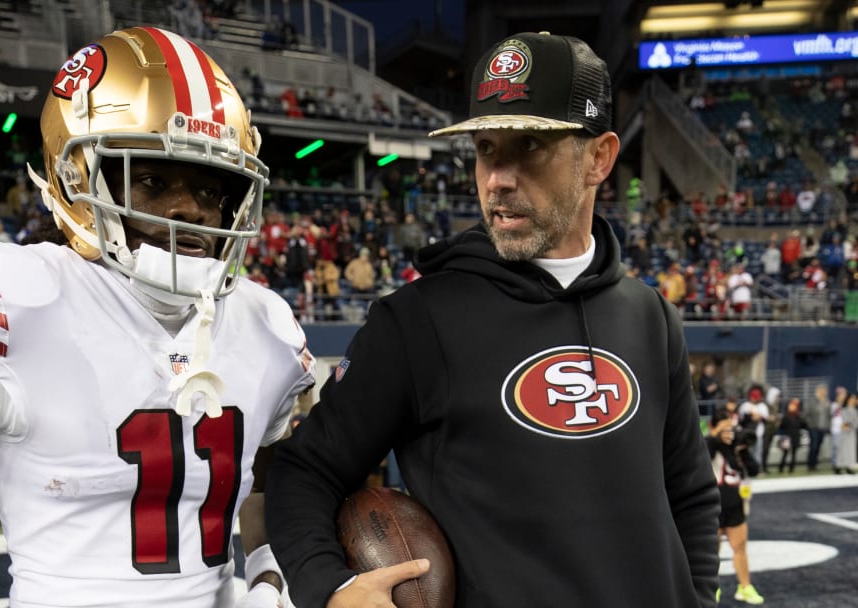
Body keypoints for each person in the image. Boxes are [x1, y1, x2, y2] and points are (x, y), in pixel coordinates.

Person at [0, 26, 313, 608]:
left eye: (212, 187)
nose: (190, 208)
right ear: (75, 177)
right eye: (151, 179)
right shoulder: (19, 301)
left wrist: (269, 576)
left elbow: (268, 490)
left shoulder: (266, 323)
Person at [265, 32, 720, 608]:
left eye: (529, 145)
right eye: (485, 148)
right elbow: (303, 472)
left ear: (598, 159)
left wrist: (699, 599)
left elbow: (691, 496)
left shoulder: (652, 317)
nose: (497, 178)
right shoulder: (416, 321)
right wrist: (331, 588)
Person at [707, 409, 764, 605]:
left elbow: (754, 470)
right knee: (711, 551)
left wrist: (743, 451)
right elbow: (704, 455)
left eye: (729, 428)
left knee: (740, 547)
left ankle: (745, 586)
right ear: (713, 428)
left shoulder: (735, 446)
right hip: (713, 504)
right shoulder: (708, 444)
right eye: (724, 429)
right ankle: (711, 588)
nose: (728, 433)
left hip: (735, 503)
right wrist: (716, 436)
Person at [776, 397, 806, 474]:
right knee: (785, 453)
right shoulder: (786, 416)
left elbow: (803, 425)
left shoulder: (798, 417)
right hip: (787, 437)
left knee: (793, 454)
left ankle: (791, 469)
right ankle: (781, 468)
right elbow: (781, 426)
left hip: (795, 436)